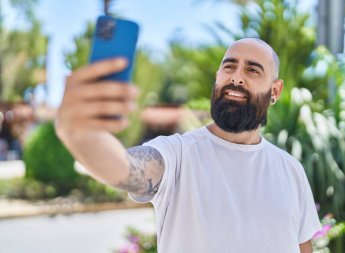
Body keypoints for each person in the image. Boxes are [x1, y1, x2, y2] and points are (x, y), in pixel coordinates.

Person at [56, 38, 321, 253]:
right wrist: (78, 135)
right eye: (229, 67)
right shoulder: (178, 155)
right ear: (217, 77)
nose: (237, 77)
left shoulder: (290, 169)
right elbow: (127, 169)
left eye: (252, 70)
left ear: (275, 91)